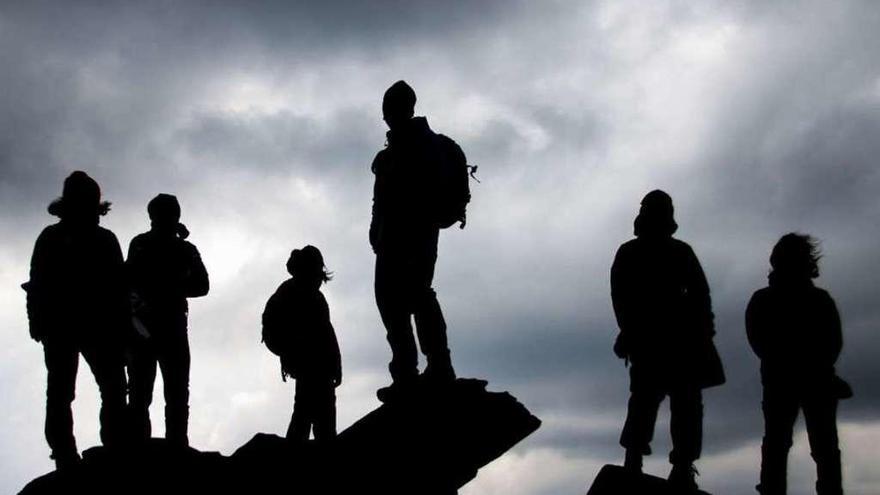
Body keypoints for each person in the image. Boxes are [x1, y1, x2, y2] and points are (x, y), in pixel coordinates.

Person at [610, 190, 725, 490]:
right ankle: (653, 462)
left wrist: (702, 332)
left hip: (672, 342)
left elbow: (700, 297)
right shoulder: (668, 252)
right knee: (656, 404)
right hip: (665, 342)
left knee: (660, 403)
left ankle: (666, 464)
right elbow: (622, 299)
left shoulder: (640, 252)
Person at [25, 171, 129, 469]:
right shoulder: (63, 237)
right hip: (74, 326)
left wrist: (37, 321)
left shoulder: (62, 237)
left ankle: (95, 449)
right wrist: (37, 320)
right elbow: (38, 282)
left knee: (94, 388)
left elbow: (118, 288)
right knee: (73, 390)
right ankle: (73, 453)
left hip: (88, 326)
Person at [370, 80, 465, 399]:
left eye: (390, 108)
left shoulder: (422, 146)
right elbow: (380, 199)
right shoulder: (396, 151)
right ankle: (415, 371)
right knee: (399, 302)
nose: (386, 115)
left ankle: (433, 368)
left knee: (413, 298)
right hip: (396, 239)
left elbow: (404, 195)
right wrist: (376, 230)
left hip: (414, 236)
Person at [746, 233, 846, 495]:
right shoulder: (821, 300)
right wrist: (817, 367)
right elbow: (833, 343)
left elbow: (757, 340)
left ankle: (772, 489)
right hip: (816, 379)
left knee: (778, 443)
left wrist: (781, 362)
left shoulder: (762, 299)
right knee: (823, 447)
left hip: (780, 379)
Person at [126, 193, 209, 446]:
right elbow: (127, 281)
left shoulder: (180, 248)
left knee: (163, 392)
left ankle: (168, 445)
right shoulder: (174, 248)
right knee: (151, 392)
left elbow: (202, 285)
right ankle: (164, 445)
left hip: (162, 326)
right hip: (148, 327)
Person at [262, 246, 341, 442]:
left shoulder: (315, 297)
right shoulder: (289, 294)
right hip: (307, 365)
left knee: (317, 418)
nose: (318, 280)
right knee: (306, 416)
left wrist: (336, 365)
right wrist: (293, 352)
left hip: (320, 367)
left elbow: (327, 332)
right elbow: (273, 331)